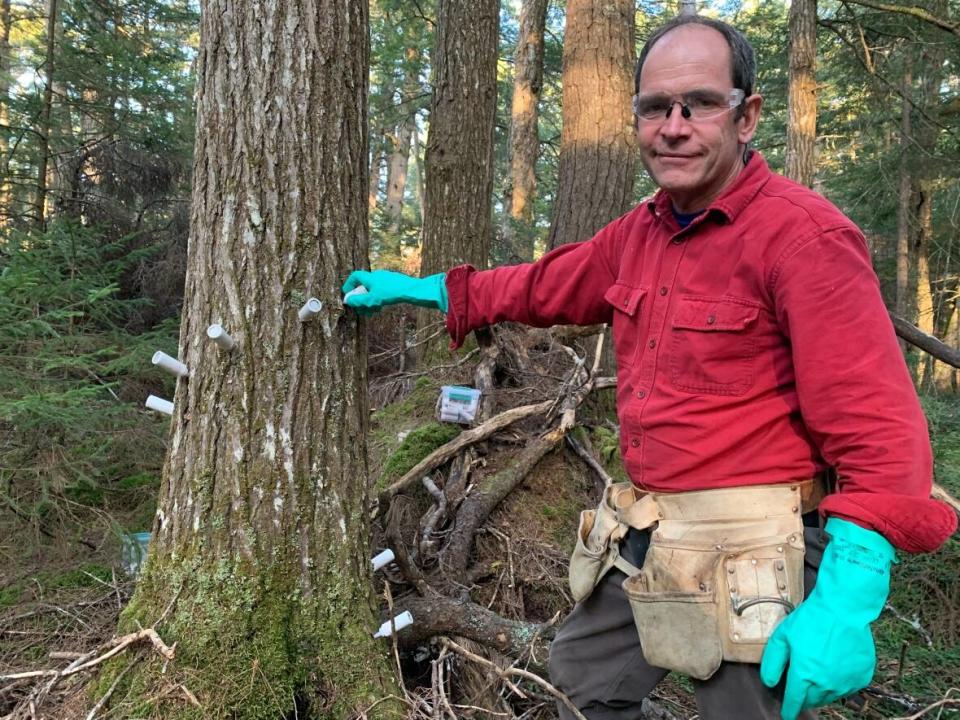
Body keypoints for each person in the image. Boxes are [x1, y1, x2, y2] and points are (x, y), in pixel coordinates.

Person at [344, 15, 956, 720]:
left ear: (746, 115)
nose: (674, 126)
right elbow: (543, 285)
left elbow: (880, 431)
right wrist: (432, 290)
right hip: (651, 531)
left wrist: (850, 599)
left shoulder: (805, 239)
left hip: (762, 549)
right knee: (576, 685)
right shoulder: (642, 231)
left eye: (698, 104)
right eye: (654, 108)